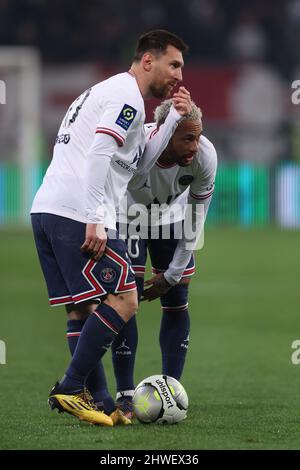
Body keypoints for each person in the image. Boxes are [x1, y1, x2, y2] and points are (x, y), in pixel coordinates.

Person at [30, 29, 191, 426]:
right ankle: (70, 386)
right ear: (148, 60)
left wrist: (171, 119)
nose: (179, 76)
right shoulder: (127, 99)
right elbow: (100, 152)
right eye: (174, 64)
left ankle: (100, 402)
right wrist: (94, 218)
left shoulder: (110, 93)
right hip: (77, 212)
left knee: (80, 309)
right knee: (126, 300)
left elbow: (135, 164)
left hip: (47, 209)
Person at [110, 99, 218, 417]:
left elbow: (196, 220)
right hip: (127, 217)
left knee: (176, 300)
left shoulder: (206, 157)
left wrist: (171, 275)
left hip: (173, 220)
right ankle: (125, 395)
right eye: (187, 138)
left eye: (198, 137)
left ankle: (170, 390)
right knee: (124, 301)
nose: (195, 146)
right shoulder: (136, 147)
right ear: (166, 134)